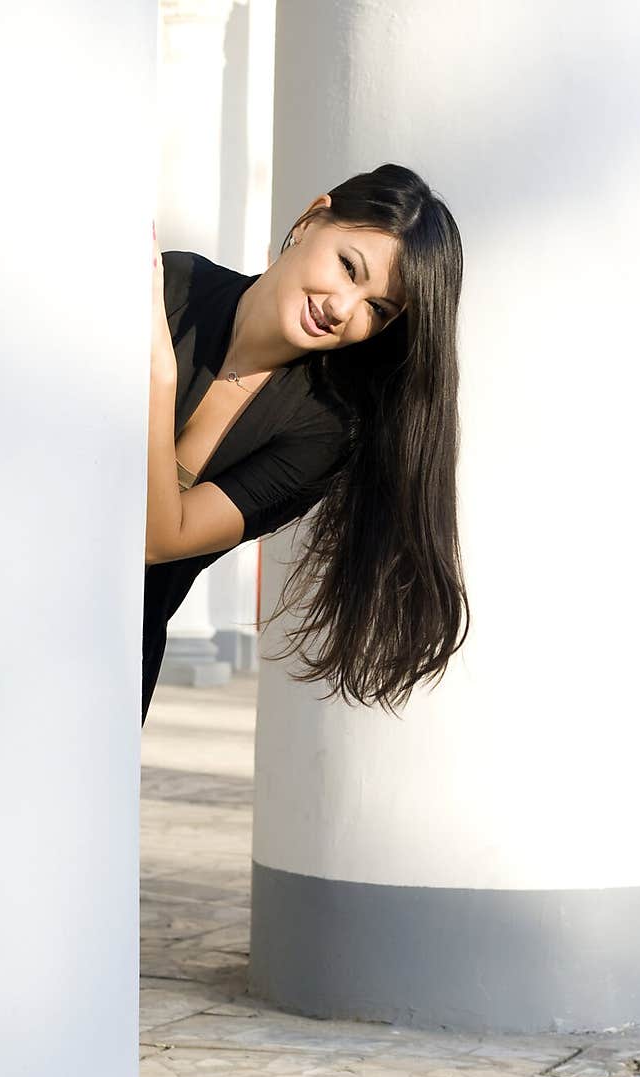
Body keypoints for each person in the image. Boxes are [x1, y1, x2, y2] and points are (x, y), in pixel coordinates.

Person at [145, 163, 468, 723]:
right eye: (348, 267)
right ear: (313, 217)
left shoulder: (322, 432)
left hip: (103, 664)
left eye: (377, 309)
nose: (343, 307)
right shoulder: (174, 285)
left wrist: (158, 377)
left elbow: (157, 540)